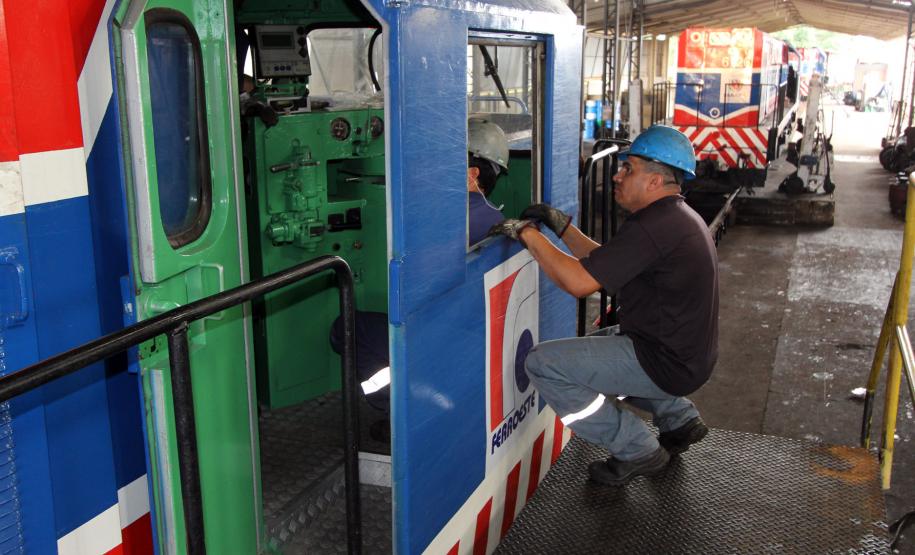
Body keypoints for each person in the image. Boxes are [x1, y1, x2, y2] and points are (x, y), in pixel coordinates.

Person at [488, 125, 718, 486]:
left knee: (544, 364)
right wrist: (561, 228)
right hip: (683, 354)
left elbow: (578, 283)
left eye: (629, 169)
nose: (617, 174)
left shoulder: (655, 226)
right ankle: (679, 420)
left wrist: (526, 234)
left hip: (665, 361)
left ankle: (636, 448)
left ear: (656, 181)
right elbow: (605, 261)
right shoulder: (674, 218)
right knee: (604, 345)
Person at [330, 117, 510, 440]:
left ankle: (406, 412)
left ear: (473, 174)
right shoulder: (494, 217)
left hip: (439, 337)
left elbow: (412, 277)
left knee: (345, 328)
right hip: (471, 340)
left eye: (450, 159)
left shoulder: (450, 220)